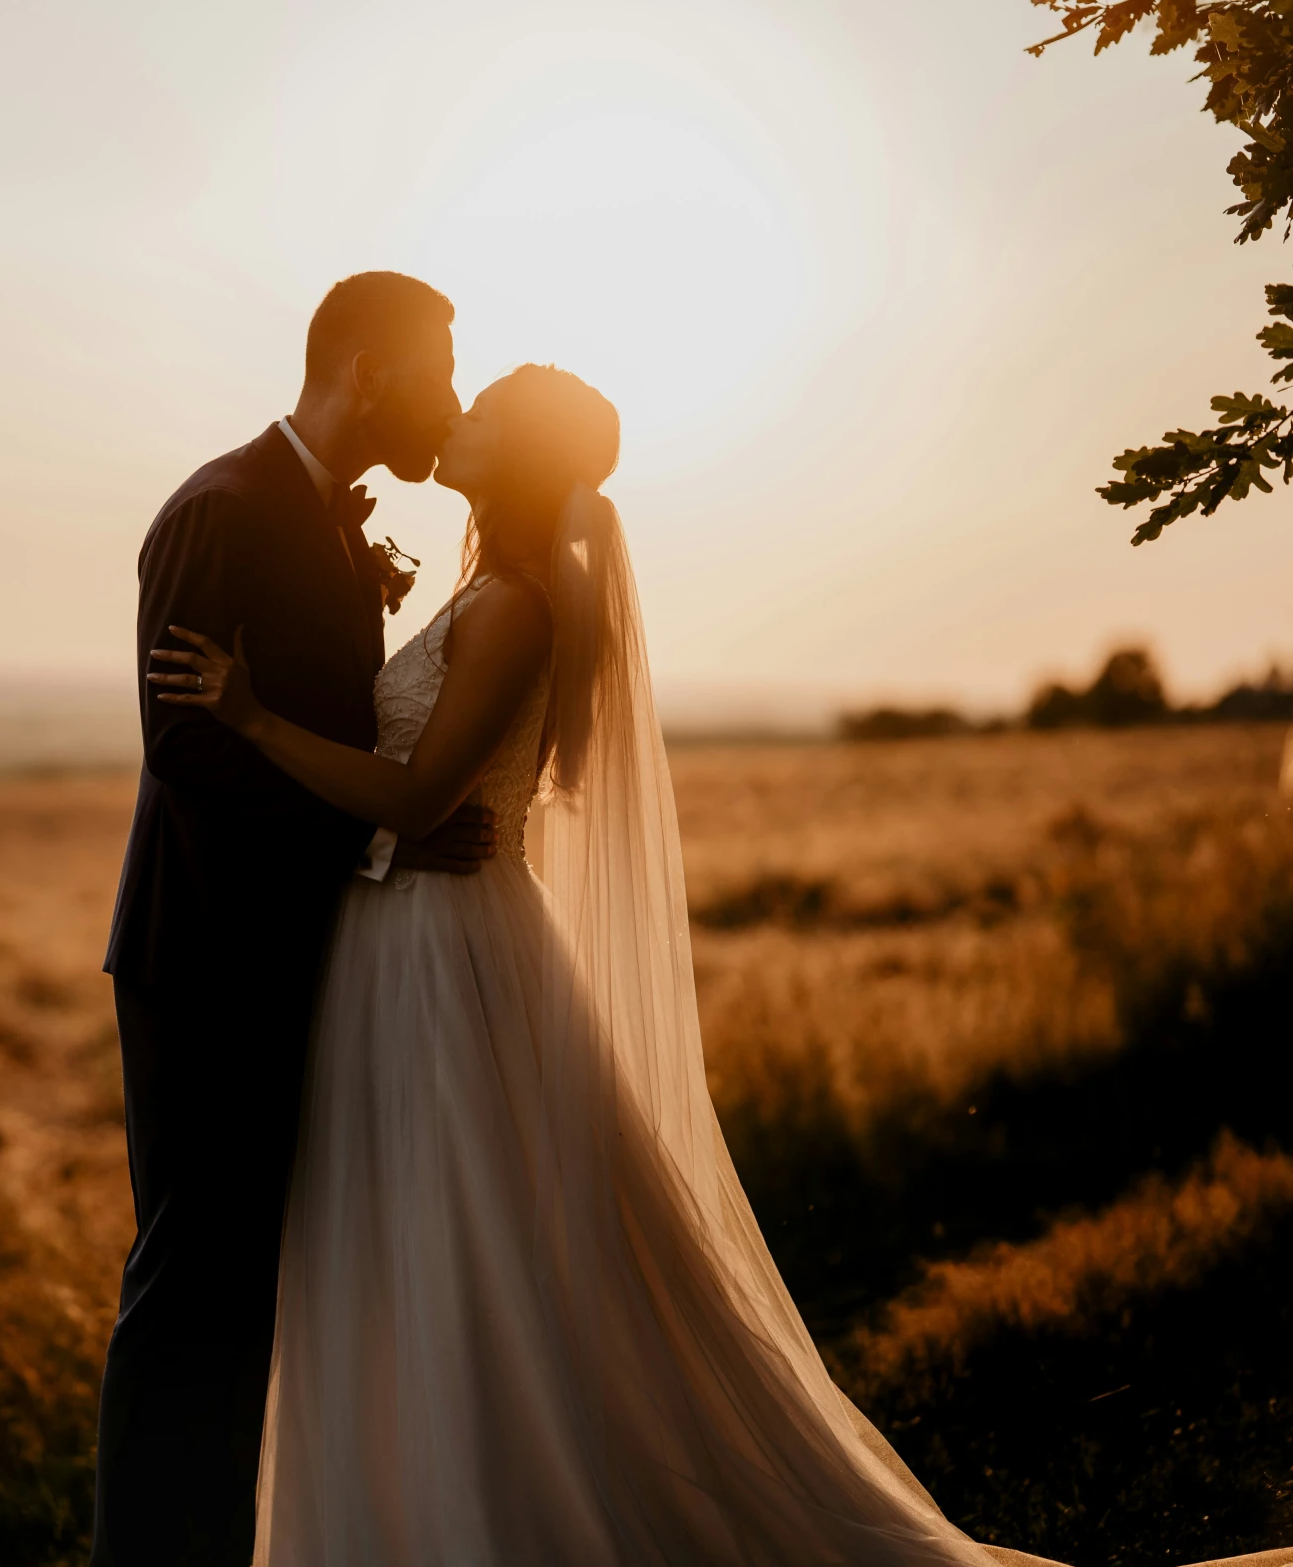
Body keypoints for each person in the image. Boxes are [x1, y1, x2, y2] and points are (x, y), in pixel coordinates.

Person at [151, 365, 1025, 1566]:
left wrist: (251, 719)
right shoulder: (477, 595)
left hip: (439, 951)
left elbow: (416, 794)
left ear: (518, 458)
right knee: (396, 1236)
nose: (453, 417)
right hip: (393, 938)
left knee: (457, 1242)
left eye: (483, 412)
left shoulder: (515, 607)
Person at [94, 272, 499, 1566]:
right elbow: (187, 746)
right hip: (208, 955)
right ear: (369, 369)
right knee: (190, 1292)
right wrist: (384, 824)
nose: (446, 395)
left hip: (288, 954)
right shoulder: (221, 509)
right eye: (436, 367)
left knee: (247, 1294)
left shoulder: (326, 521)